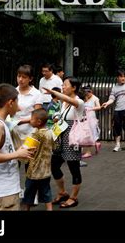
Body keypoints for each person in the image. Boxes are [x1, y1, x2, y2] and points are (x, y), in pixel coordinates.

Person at [0, 84, 34, 211]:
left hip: (6, 191)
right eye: (17, 102)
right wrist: (17, 154)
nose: (19, 106)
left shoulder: (1, 123)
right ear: (10, 103)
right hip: (3, 193)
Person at [42, 77, 85, 209]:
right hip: (60, 138)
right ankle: (62, 192)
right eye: (62, 85)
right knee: (54, 165)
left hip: (72, 140)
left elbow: (69, 101)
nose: (63, 87)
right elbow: (61, 117)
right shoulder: (63, 103)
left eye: (65, 85)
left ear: (74, 88)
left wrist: (54, 93)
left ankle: (73, 197)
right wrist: (56, 117)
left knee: (74, 168)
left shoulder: (79, 102)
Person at [22, 108, 54, 211]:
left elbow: (25, 149)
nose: (30, 121)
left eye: (31, 119)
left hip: (33, 172)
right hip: (46, 170)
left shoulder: (35, 135)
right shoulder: (50, 132)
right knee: (46, 194)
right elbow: (54, 147)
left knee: (28, 195)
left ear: (38, 122)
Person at [101, 70, 125, 152]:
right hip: (118, 110)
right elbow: (112, 98)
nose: (123, 78)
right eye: (121, 76)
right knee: (116, 127)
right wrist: (107, 103)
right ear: (117, 78)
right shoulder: (114, 88)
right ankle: (117, 144)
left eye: (124, 76)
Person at [13, 65, 43, 146]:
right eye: (19, 76)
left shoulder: (36, 94)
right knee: (15, 156)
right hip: (14, 131)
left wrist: (20, 121)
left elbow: (37, 116)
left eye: (24, 77)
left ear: (30, 79)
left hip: (30, 132)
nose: (20, 79)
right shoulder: (13, 92)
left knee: (28, 156)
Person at [81, 85, 102, 158]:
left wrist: (91, 108)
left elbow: (99, 107)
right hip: (84, 117)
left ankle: (88, 151)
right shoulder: (84, 98)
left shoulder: (95, 98)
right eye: (86, 93)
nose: (87, 94)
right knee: (86, 133)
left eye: (89, 92)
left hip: (91, 118)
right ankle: (96, 144)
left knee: (90, 133)